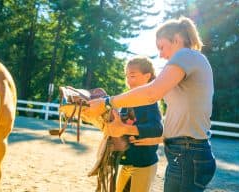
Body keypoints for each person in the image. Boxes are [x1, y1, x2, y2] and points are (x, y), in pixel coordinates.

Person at [85, 16, 216, 192]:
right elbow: (182, 114)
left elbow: (151, 93)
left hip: (187, 153)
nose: (161, 55)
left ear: (176, 39)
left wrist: (106, 102)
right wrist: (153, 138)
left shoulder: (186, 55)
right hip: (185, 152)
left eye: (161, 47)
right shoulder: (191, 63)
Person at [112, 57, 163, 192]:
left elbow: (157, 129)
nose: (128, 80)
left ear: (147, 77)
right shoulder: (127, 101)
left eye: (133, 76)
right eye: (127, 76)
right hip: (127, 161)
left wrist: (128, 129)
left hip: (144, 163)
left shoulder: (150, 102)